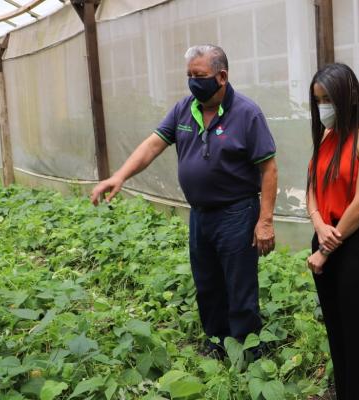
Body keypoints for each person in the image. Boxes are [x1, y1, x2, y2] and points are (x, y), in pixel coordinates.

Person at [90, 44, 277, 356]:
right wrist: (120, 175)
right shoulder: (184, 108)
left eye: (199, 75)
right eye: (189, 75)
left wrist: (265, 221)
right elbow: (152, 145)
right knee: (207, 282)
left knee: (239, 286)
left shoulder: (247, 113)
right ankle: (217, 342)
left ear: (222, 76)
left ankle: (248, 351)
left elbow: (268, 168)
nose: (193, 82)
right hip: (201, 214)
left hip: (237, 212)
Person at [304, 63, 359, 399]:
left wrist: (326, 248)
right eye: (318, 100)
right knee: (336, 331)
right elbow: (312, 185)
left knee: (357, 334)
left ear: (348, 97)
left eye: (329, 99)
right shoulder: (327, 136)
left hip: (355, 243)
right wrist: (318, 224)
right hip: (325, 236)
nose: (323, 107)